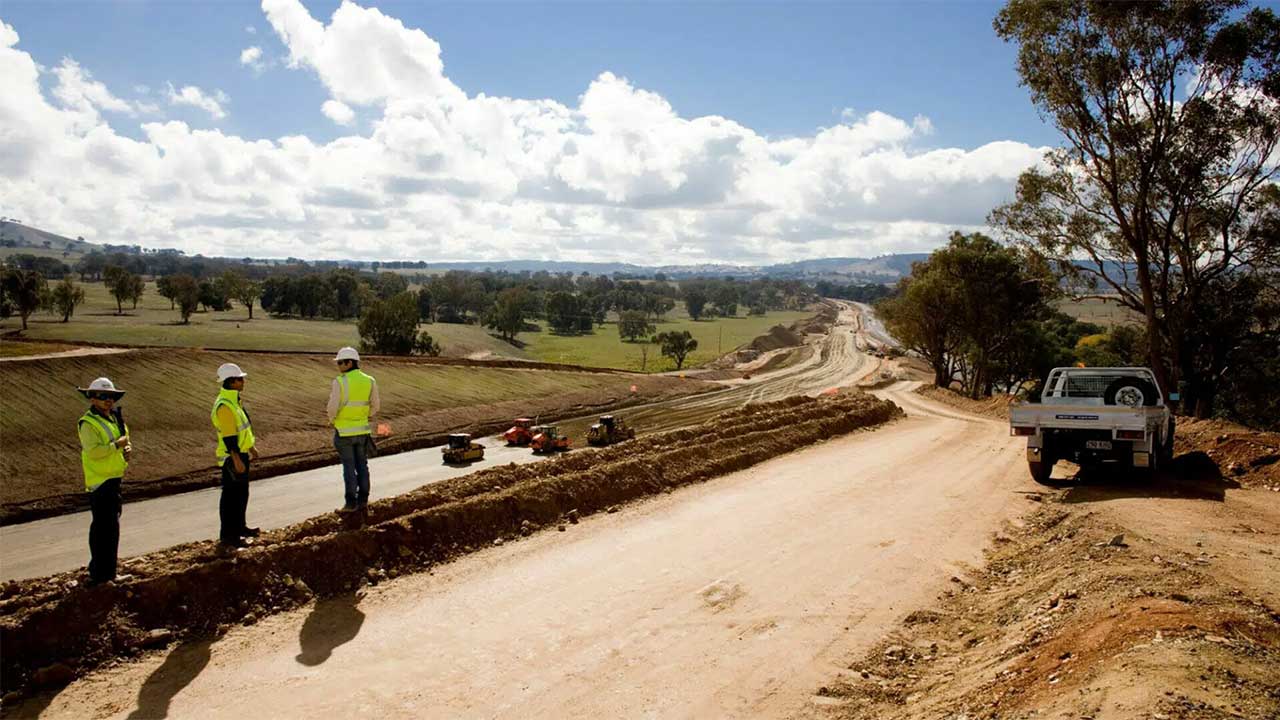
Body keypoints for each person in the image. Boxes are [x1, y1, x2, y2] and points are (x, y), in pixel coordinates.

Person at [77, 377, 131, 586]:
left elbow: (125, 438)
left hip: (114, 478)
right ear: (92, 398)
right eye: (103, 397)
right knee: (103, 529)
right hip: (101, 482)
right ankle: (101, 575)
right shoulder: (88, 423)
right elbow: (94, 451)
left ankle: (107, 572)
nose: (108, 400)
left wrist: (126, 448)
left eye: (111, 397)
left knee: (110, 528)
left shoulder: (113, 418)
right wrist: (117, 445)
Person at [212, 362, 259, 548]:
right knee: (231, 498)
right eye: (240, 379)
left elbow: (244, 430)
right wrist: (237, 459)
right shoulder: (224, 406)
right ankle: (229, 538)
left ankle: (240, 528)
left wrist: (251, 448)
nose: (243, 381)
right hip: (233, 457)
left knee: (241, 494)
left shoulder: (234, 401)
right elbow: (229, 435)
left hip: (241, 453)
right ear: (230, 382)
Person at [327, 347, 380, 513]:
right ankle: (363, 500)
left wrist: (332, 420)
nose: (339, 365)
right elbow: (376, 406)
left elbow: (332, 407)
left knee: (349, 467)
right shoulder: (370, 380)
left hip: (344, 433)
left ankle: (350, 503)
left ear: (350, 362)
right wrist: (364, 416)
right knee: (362, 466)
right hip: (363, 431)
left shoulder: (340, 382)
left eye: (341, 362)